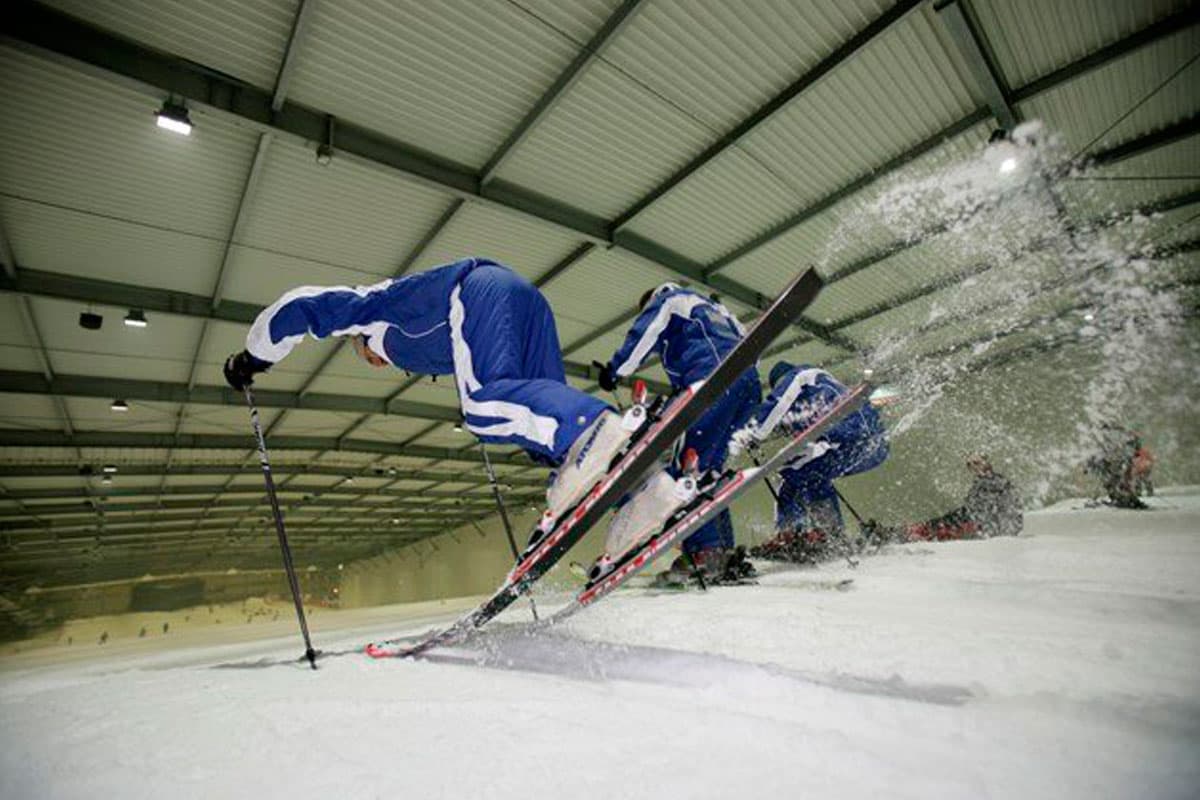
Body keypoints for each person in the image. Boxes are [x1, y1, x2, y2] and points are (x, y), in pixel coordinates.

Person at [223, 257, 635, 521]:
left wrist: (254, 357)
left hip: (477, 289)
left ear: (362, 343)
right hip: (527, 305)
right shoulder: (420, 349)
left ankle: (590, 426)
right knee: (536, 413)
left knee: (482, 408)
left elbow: (301, 305)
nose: (377, 364)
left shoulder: (373, 310)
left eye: (368, 358)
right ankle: (635, 489)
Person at [590, 284, 762, 579]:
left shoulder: (670, 300)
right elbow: (748, 341)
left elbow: (646, 331)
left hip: (711, 382)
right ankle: (722, 551)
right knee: (708, 473)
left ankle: (704, 553)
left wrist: (616, 370)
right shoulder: (717, 310)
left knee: (686, 472)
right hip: (748, 386)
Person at [733, 362, 888, 564]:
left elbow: (779, 401)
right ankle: (830, 535)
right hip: (874, 445)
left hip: (848, 434)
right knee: (814, 476)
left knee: (790, 472)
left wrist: (753, 432)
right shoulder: (825, 391)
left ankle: (789, 536)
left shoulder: (800, 376)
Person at [863, 454, 1022, 544]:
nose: (973, 467)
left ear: (987, 463)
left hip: (977, 524)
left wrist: (987, 530)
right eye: (970, 464)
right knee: (932, 525)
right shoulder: (988, 481)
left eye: (977, 463)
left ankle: (889, 536)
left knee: (931, 529)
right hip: (973, 520)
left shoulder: (994, 482)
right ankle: (891, 534)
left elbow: (989, 511)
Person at [1084, 424, 1153, 509]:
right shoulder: (1111, 438)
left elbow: (1133, 450)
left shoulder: (1112, 437)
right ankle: (1123, 498)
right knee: (1116, 481)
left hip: (1116, 463)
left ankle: (1125, 498)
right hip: (1114, 463)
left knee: (1117, 481)